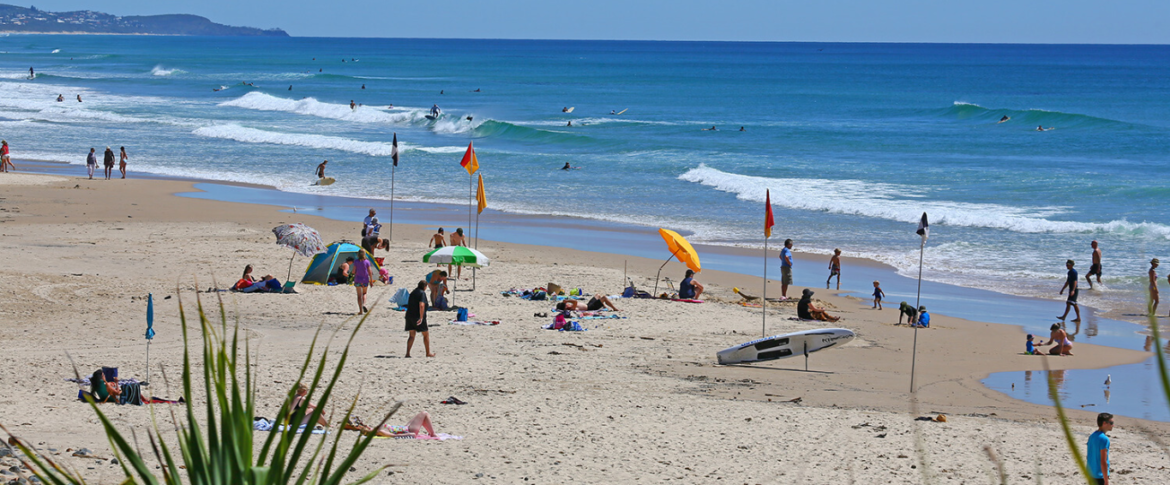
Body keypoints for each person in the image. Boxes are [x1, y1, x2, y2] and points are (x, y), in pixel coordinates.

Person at [346, 411, 437, 438]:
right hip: (409, 430)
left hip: (405, 427)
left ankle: (431, 432)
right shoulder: (379, 431)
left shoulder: (375, 429)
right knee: (424, 414)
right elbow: (393, 436)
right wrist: (411, 434)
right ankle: (432, 434)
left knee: (422, 415)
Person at [405, 280, 435, 357]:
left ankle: (408, 353)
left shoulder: (413, 292)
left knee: (411, 335)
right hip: (417, 316)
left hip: (409, 316)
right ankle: (428, 353)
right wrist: (421, 318)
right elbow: (421, 305)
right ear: (425, 287)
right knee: (426, 334)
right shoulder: (422, 293)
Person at [1087, 413, 1113, 485]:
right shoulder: (1104, 439)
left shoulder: (1092, 436)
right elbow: (1103, 461)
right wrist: (1106, 481)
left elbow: (1089, 456)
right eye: (1111, 423)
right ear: (1104, 423)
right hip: (1099, 475)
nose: (1113, 425)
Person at [555, 294, 620, 312]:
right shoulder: (572, 308)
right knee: (604, 298)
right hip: (590, 308)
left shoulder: (571, 307)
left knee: (597, 295)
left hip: (588, 305)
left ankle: (604, 306)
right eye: (566, 304)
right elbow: (575, 301)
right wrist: (567, 301)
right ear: (566, 307)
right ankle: (615, 308)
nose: (568, 304)